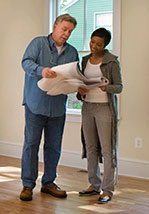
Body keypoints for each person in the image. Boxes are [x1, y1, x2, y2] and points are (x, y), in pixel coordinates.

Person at [20, 14, 78, 201]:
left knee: (54, 147)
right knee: (31, 145)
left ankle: (48, 183)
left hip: (57, 108)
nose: (66, 34)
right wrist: (41, 70)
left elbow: (74, 76)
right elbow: (26, 62)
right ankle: (27, 185)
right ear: (55, 26)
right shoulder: (38, 43)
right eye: (64, 29)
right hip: (35, 105)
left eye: (70, 31)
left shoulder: (72, 52)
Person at [77, 28, 123, 203]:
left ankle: (107, 190)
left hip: (105, 108)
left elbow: (119, 87)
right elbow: (82, 82)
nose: (93, 46)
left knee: (107, 149)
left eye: (98, 44)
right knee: (90, 147)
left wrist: (107, 87)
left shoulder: (111, 62)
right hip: (88, 107)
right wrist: (80, 90)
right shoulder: (85, 60)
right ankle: (94, 185)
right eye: (92, 41)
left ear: (105, 45)